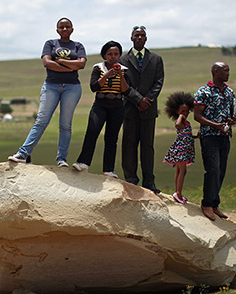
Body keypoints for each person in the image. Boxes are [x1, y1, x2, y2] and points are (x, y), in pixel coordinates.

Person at [8, 18, 87, 168]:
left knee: (65, 125)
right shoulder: (50, 43)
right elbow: (47, 63)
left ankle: (61, 159)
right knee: (41, 121)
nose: (64, 29)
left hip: (72, 87)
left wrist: (59, 61)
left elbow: (81, 64)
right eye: (61, 27)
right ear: (57, 30)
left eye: (67, 27)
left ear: (72, 29)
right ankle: (22, 154)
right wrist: (70, 66)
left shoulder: (78, 45)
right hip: (51, 86)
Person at [72, 41, 129, 176]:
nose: (113, 56)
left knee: (111, 138)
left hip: (117, 108)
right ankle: (83, 163)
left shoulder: (124, 70)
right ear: (104, 55)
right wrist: (107, 75)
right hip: (100, 106)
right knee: (92, 132)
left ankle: (108, 170)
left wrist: (120, 75)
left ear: (120, 55)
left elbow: (126, 91)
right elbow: (94, 87)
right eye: (110, 54)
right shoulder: (98, 68)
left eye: (116, 54)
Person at [120, 26, 165, 193]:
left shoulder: (156, 59)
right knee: (129, 145)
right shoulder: (123, 60)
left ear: (146, 39)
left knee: (148, 146)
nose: (139, 37)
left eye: (142, 35)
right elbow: (123, 84)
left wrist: (147, 100)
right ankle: (131, 180)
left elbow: (159, 81)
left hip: (149, 110)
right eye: (136, 35)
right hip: (130, 108)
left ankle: (149, 182)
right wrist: (139, 99)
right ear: (131, 38)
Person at [193, 62, 236, 221]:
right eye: (225, 70)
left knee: (221, 171)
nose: (228, 73)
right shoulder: (203, 92)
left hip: (224, 136)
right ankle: (206, 204)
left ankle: (215, 204)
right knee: (213, 170)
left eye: (228, 70)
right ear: (215, 72)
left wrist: (232, 120)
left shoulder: (229, 91)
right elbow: (197, 116)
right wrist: (216, 125)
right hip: (209, 135)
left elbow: (233, 113)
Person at [163, 91, 196, 204]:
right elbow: (177, 125)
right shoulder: (180, 122)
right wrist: (180, 116)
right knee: (183, 171)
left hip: (185, 150)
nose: (185, 113)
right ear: (176, 111)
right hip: (181, 150)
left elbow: (186, 135)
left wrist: (195, 137)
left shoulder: (187, 123)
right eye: (182, 111)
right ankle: (178, 193)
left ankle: (177, 192)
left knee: (179, 171)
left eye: (187, 111)